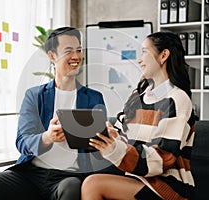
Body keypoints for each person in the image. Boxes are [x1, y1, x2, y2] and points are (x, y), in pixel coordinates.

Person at [0, 26, 121, 200]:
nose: (76, 56)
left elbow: (97, 146)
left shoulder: (93, 97)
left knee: (71, 187)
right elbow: (22, 142)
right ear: (52, 56)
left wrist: (109, 140)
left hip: (67, 177)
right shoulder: (34, 96)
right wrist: (47, 137)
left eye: (79, 50)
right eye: (68, 51)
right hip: (30, 175)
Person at [81, 31, 196, 200]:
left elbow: (163, 158)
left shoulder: (178, 99)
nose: (139, 59)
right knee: (87, 177)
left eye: (144, 52)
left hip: (167, 186)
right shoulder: (139, 96)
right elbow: (123, 137)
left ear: (163, 55)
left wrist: (115, 149)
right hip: (135, 178)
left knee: (93, 184)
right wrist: (112, 137)